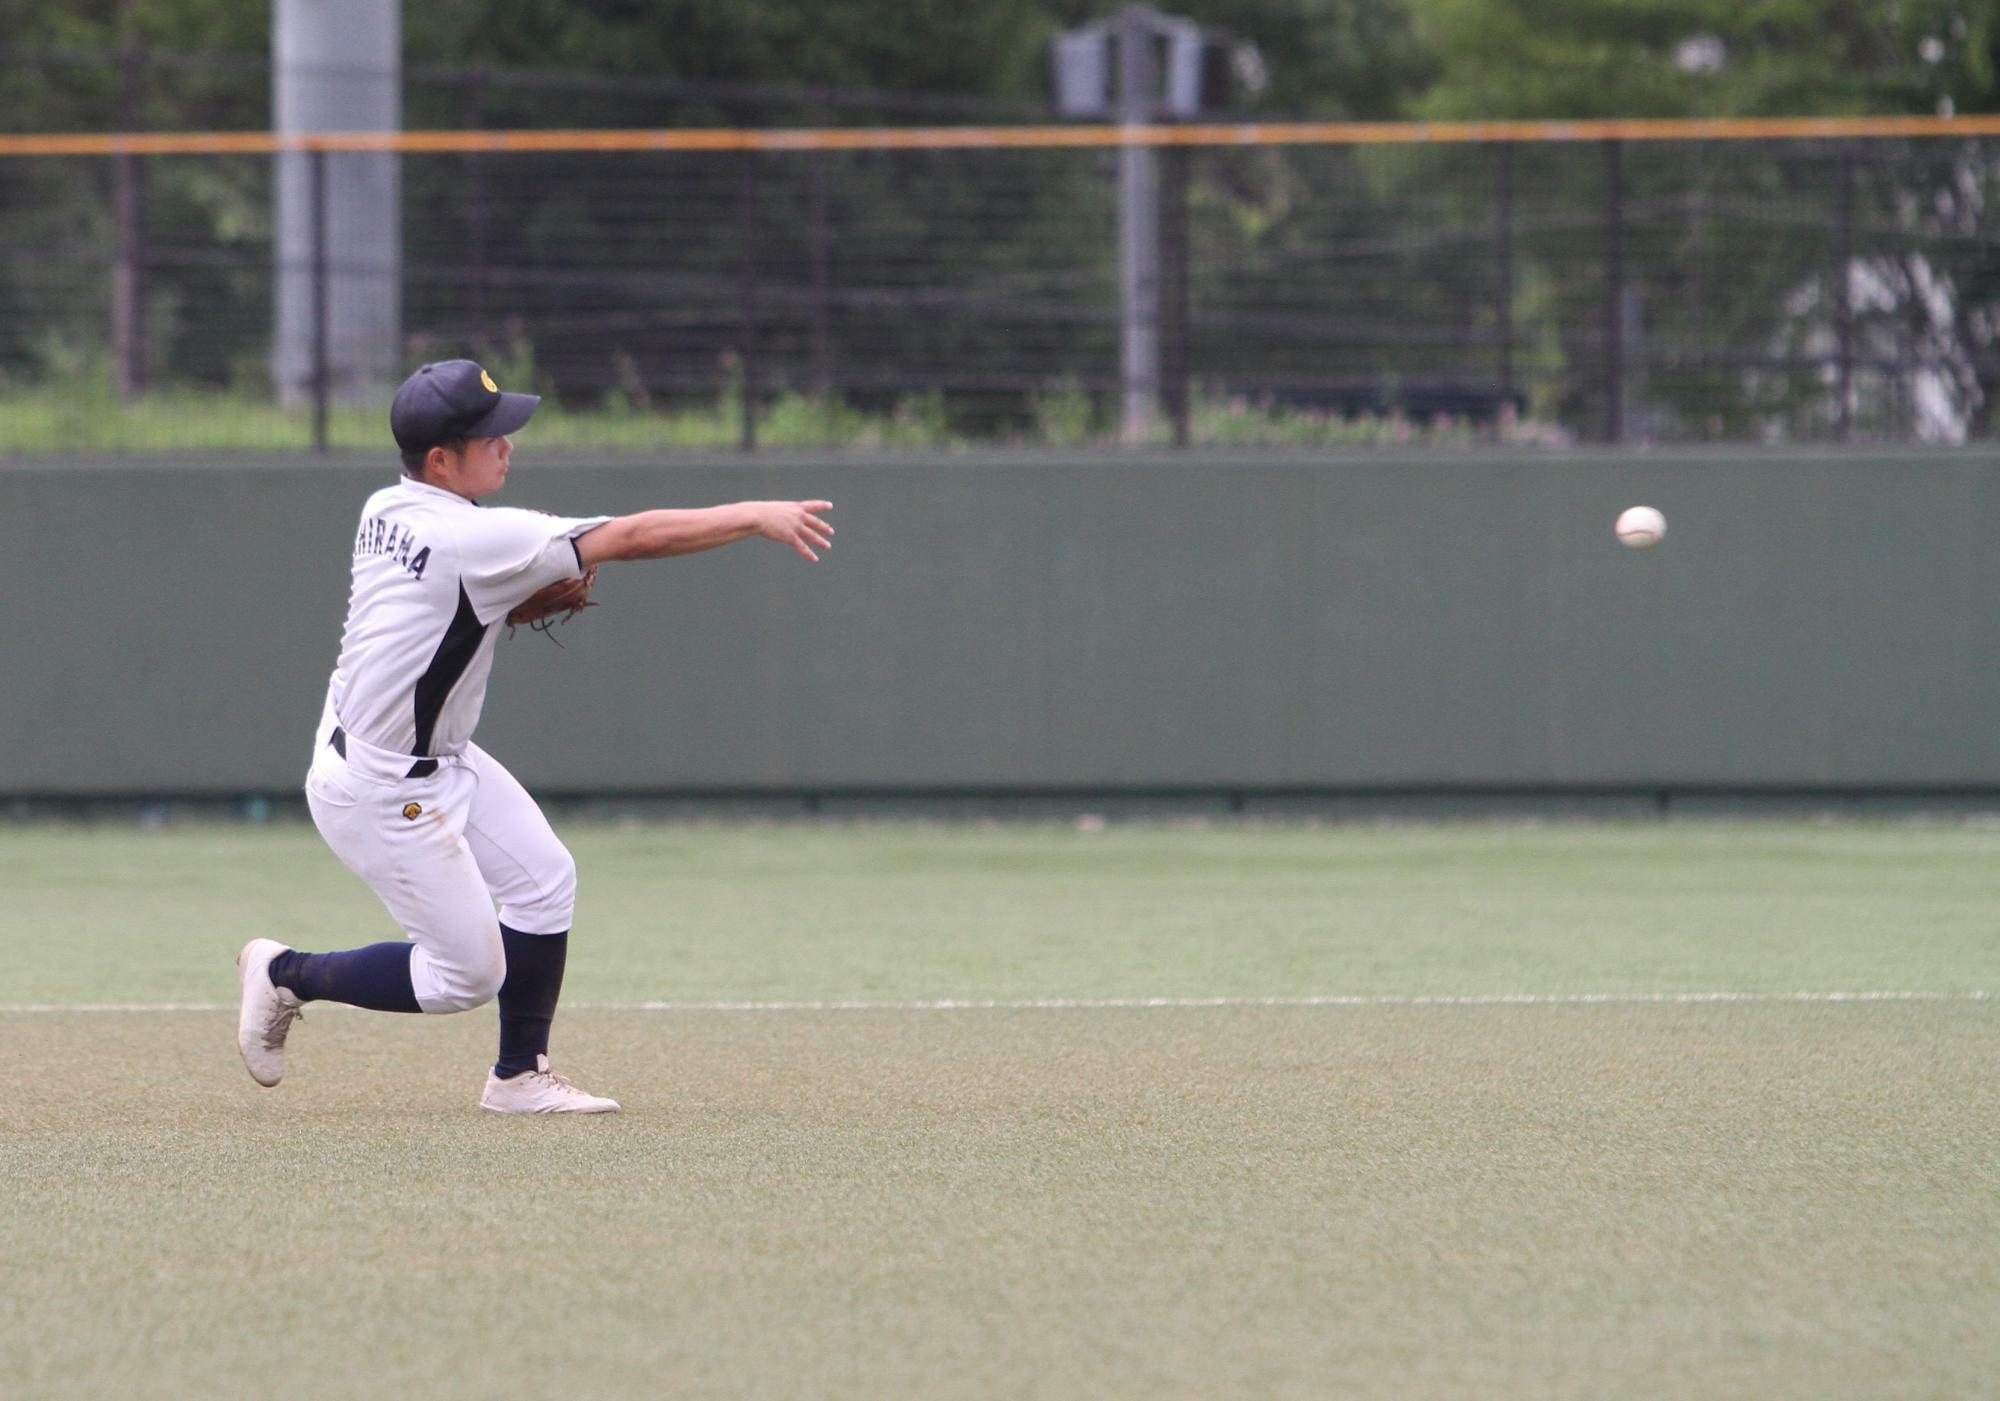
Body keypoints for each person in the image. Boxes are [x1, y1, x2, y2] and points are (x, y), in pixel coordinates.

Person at [235, 359, 833, 1113]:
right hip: (382, 789)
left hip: (417, 754)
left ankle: (519, 1075)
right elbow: (632, 536)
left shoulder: (385, 506)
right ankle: (288, 972)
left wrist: (497, 605)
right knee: (467, 976)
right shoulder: (474, 538)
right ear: (442, 460)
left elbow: (435, 615)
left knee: (545, 878)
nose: (508, 443)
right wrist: (752, 514)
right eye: (489, 435)